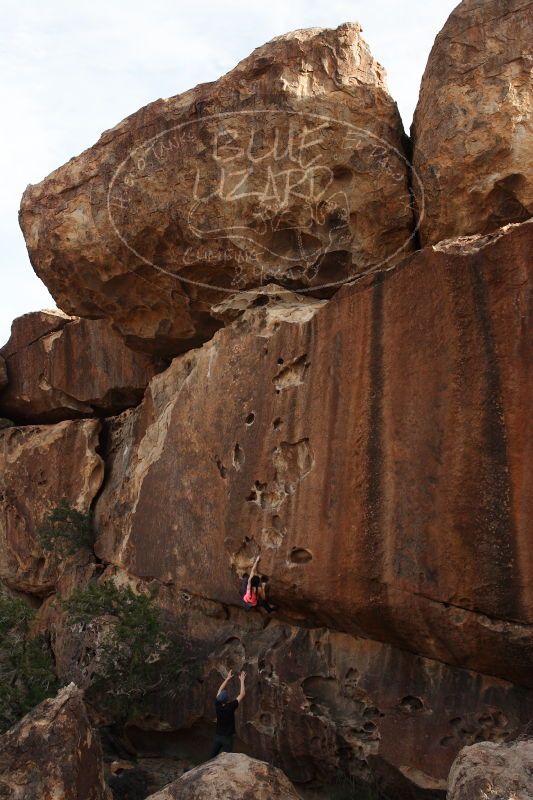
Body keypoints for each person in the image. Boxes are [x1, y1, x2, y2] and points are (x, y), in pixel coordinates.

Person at [209, 669, 246, 758]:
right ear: (227, 700)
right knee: (226, 759)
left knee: (211, 757)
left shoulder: (217, 705)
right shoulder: (230, 707)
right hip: (227, 738)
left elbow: (220, 689)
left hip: (218, 736)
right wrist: (242, 680)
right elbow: (242, 694)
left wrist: (227, 678)